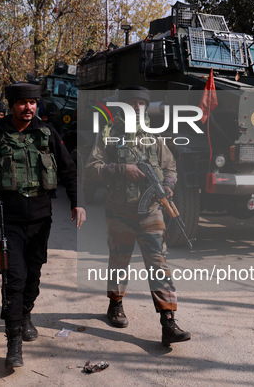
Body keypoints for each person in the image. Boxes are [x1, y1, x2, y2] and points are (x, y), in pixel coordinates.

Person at [0, 82, 86, 368]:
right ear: (12, 105)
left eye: (33, 103)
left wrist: (77, 202)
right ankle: (14, 343)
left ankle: (25, 315)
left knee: (33, 275)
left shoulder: (47, 133)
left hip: (40, 219)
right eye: (22, 103)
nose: (28, 108)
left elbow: (69, 170)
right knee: (13, 279)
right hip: (9, 219)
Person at [84, 86, 191, 346]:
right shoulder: (108, 134)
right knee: (119, 261)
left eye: (141, 104)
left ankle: (168, 321)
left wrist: (168, 184)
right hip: (120, 211)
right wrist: (121, 168)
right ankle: (116, 305)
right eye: (132, 103)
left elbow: (170, 166)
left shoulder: (154, 136)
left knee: (158, 263)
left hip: (151, 211)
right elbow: (91, 169)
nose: (137, 108)